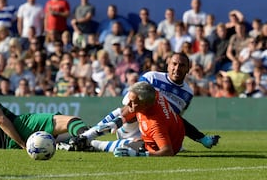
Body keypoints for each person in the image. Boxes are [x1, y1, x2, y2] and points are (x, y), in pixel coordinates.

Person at [74, 53, 220, 152]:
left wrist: (201, 138)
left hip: (153, 129)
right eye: (174, 64)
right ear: (168, 65)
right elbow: (129, 103)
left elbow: (176, 119)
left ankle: (92, 145)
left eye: (182, 65)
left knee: (150, 145)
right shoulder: (152, 78)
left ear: (188, 69)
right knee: (125, 110)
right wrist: (120, 121)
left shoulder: (188, 93)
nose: (177, 68)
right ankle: (88, 136)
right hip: (131, 121)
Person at [96, 82, 185, 156]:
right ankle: (90, 138)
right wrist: (117, 122)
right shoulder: (153, 94)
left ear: (144, 104)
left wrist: (139, 155)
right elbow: (130, 108)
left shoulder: (155, 125)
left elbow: (168, 151)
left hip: (163, 143)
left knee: (123, 149)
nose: (129, 104)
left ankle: (93, 144)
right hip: (167, 133)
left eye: (133, 102)